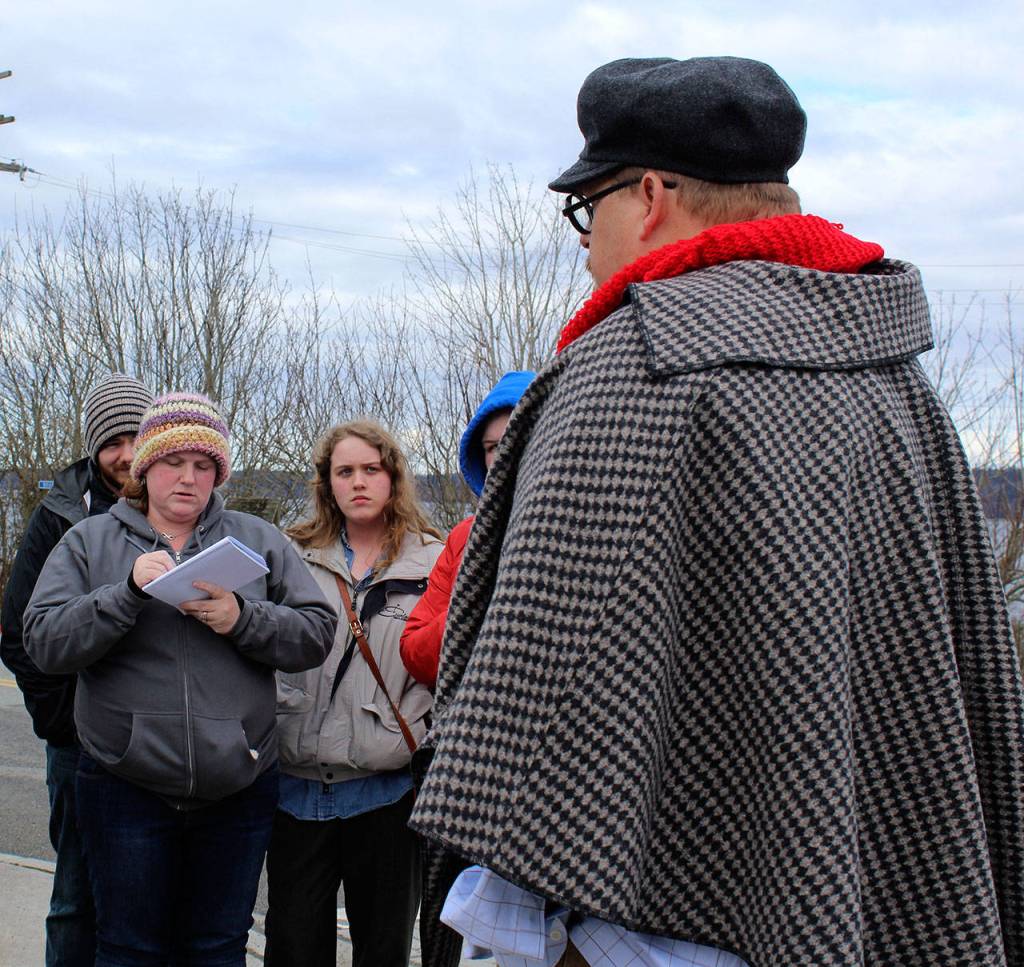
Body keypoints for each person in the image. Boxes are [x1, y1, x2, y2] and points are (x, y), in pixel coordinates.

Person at [410, 57, 1024, 967]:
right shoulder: (897, 379)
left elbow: (534, 699)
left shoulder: (634, 368)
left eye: (591, 209)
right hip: (852, 884)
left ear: (650, 194)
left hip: (639, 916)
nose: (584, 243)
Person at [23, 392, 335, 967]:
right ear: (145, 467)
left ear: (219, 472)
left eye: (204, 465)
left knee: (217, 949)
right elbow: (43, 641)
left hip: (237, 784)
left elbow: (316, 634)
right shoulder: (90, 542)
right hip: (124, 785)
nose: (188, 479)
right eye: (173, 463)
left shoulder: (258, 540)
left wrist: (242, 618)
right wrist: (124, 595)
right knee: (127, 949)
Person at [264, 419, 443, 967]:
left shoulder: (434, 562)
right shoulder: (286, 555)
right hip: (295, 791)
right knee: (293, 950)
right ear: (327, 482)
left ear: (393, 478)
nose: (358, 482)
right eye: (345, 471)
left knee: (383, 951)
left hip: (387, 795)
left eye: (371, 469)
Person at [0, 371, 152, 967]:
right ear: (94, 449)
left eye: (136, 437)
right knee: (76, 897)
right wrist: (65, 722)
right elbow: (17, 634)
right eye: (111, 441)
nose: (125, 455)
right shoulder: (57, 516)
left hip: (157, 737)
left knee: (146, 896)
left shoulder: (177, 508)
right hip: (79, 744)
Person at [400, 370, 534, 688]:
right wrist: (478, 599)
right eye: (492, 447)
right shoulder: (465, 537)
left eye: (519, 440)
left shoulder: (591, 534)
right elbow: (416, 654)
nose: (503, 457)